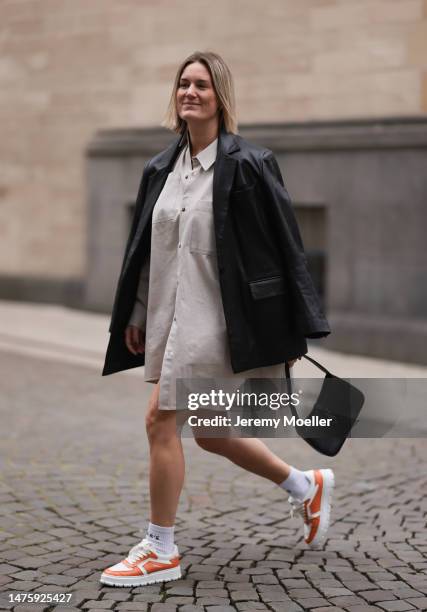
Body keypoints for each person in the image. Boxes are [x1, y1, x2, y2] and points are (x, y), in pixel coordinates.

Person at [100, 51, 334, 588]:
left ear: (219, 96)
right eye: (183, 83)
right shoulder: (159, 169)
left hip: (222, 324)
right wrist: (136, 311)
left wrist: (293, 324)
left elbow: (285, 248)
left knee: (161, 419)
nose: (190, 92)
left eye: (201, 85)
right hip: (170, 317)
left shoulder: (251, 164)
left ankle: (160, 548)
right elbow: (146, 250)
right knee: (209, 430)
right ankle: (306, 485)